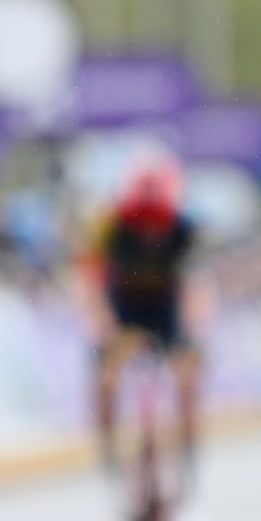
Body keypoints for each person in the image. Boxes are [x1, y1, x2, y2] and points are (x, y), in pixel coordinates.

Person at [83, 154, 204, 489]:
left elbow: (197, 284)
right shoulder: (112, 227)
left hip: (166, 310)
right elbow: (92, 282)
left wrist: (192, 329)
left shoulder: (185, 229)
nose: (151, 230)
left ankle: (188, 453)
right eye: (143, 220)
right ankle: (108, 451)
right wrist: (104, 327)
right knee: (105, 380)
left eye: (158, 220)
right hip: (123, 309)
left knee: (187, 377)